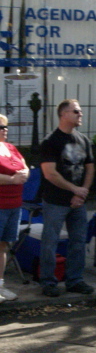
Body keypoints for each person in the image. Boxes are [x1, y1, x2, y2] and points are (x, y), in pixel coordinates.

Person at [40, 99, 95, 297]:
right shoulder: (50, 142)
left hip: (78, 202)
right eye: (76, 111)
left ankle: (75, 280)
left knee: (79, 241)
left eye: (80, 111)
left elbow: (90, 169)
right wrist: (75, 189)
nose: (80, 114)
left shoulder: (84, 140)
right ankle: (48, 281)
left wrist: (82, 192)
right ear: (63, 114)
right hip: (55, 201)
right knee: (50, 241)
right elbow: (50, 173)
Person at [0, 114, 29, 302]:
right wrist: (11, 179)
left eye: (5, 126)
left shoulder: (11, 148)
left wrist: (23, 173)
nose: (4, 129)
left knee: (3, 246)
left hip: (14, 204)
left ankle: (0, 286)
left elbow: (24, 166)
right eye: (0, 127)